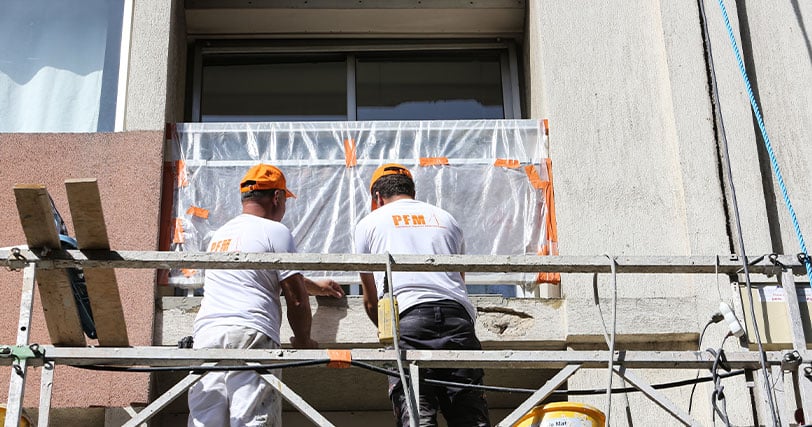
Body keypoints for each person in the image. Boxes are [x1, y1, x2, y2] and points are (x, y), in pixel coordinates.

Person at [188, 163, 344, 427]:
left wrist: (317, 287)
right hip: (251, 332)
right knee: (252, 419)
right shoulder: (275, 231)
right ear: (277, 197)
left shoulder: (219, 236)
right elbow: (294, 297)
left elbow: (258, 274)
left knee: (206, 420)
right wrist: (304, 340)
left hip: (207, 336)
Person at [354, 163, 490, 427]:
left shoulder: (369, 223)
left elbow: (370, 300)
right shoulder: (446, 219)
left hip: (409, 321)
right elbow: (458, 281)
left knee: (418, 417)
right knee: (469, 416)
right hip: (457, 321)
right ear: (412, 192)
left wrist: (389, 334)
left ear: (377, 198)